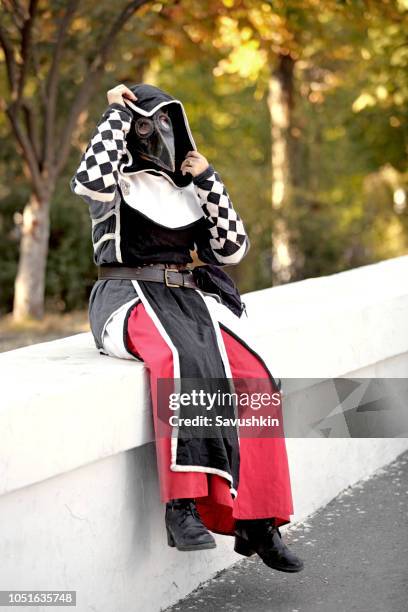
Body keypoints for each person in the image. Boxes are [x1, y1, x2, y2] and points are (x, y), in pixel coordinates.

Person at [70, 82, 304, 572]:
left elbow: (232, 249)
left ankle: (258, 520)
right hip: (127, 297)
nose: (154, 132)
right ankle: (182, 506)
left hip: (188, 302)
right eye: (144, 123)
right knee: (180, 360)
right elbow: (88, 179)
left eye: (163, 122)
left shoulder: (188, 190)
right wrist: (115, 113)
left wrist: (208, 179)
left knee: (255, 376)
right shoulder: (115, 183)